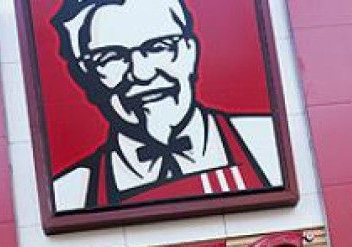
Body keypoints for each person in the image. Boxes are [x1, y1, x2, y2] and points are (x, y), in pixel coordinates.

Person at [50, 0, 282, 211]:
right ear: (84, 75)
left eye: (159, 47)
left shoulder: (267, 143)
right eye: (110, 57)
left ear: (190, 52)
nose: (142, 73)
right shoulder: (70, 194)